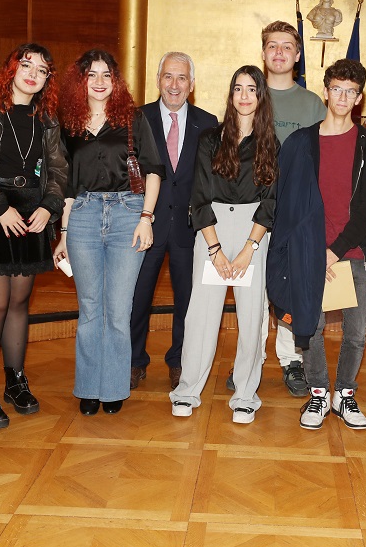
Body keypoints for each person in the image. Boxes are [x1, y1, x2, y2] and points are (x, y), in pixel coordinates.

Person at [268, 58, 366, 430]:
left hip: (351, 253)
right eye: (337, 88)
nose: (343, 96)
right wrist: (310, 251)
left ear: (359, 97)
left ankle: (345, 394)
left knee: (355, 333)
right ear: (326, 91)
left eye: (351, 91)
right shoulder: (303, 142)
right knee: (311, 327)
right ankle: (319, 394)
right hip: (309, 253)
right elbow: (287, 201)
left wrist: (335, 252)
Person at [0, 43, 68, 429]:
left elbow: (58, 170)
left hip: (32, 215)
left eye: (41, 69)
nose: (33, 74)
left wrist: (49, 206)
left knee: (20, 304)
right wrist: (0, 207)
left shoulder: (47, 118)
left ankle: (15, 381)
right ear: (11, 69)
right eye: (26, 65)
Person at [54, 49, 163, 415]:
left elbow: (153, 170)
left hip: (127, 215)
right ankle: (88, 386)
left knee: (117, 310)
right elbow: (65, 183)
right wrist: (64, 232)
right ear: (80, 80)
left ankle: (114, 386)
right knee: (89, 309)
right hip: (82, 215)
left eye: (106, 75)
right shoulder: (68, 122)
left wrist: (146, 217)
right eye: (92, 75)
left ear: (115, 81)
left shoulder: (133, 118)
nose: (99, 82)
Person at [169, 65, 278, 424]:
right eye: (238, 89)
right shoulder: (209, 139)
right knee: (200, 316)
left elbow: (271, 202)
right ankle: (187, 390)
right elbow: (198, 197)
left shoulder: (271, 144)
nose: (244, 96)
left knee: (252, 318)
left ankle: (246, 394)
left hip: (253, 234)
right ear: (230, 96)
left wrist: (249, 248)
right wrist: (215, 251)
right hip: (212, 230)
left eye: (251, 89)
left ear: (261, 97)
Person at [128, 52, 217, 390]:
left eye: (182, 78)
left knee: (188, 301)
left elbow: (213, 179)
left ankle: (179, 360)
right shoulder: (137, 118)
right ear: (157, 80)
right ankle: (135, 361)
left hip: (190, 228)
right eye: (168, 76)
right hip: (145, 225)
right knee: (137, 298)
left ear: (191, 84)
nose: (175, 84)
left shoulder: (209, 123)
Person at [245, 20, 324, 397]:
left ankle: (291, 361)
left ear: (296, 55)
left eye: (287, 47)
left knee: (287, 286)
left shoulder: (311, 104)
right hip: (249, 210)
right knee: (253, 288)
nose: (279, 52)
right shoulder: (247, 95)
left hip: (292, 214)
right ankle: (250, 359)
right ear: (263, 53)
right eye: (272, 46)